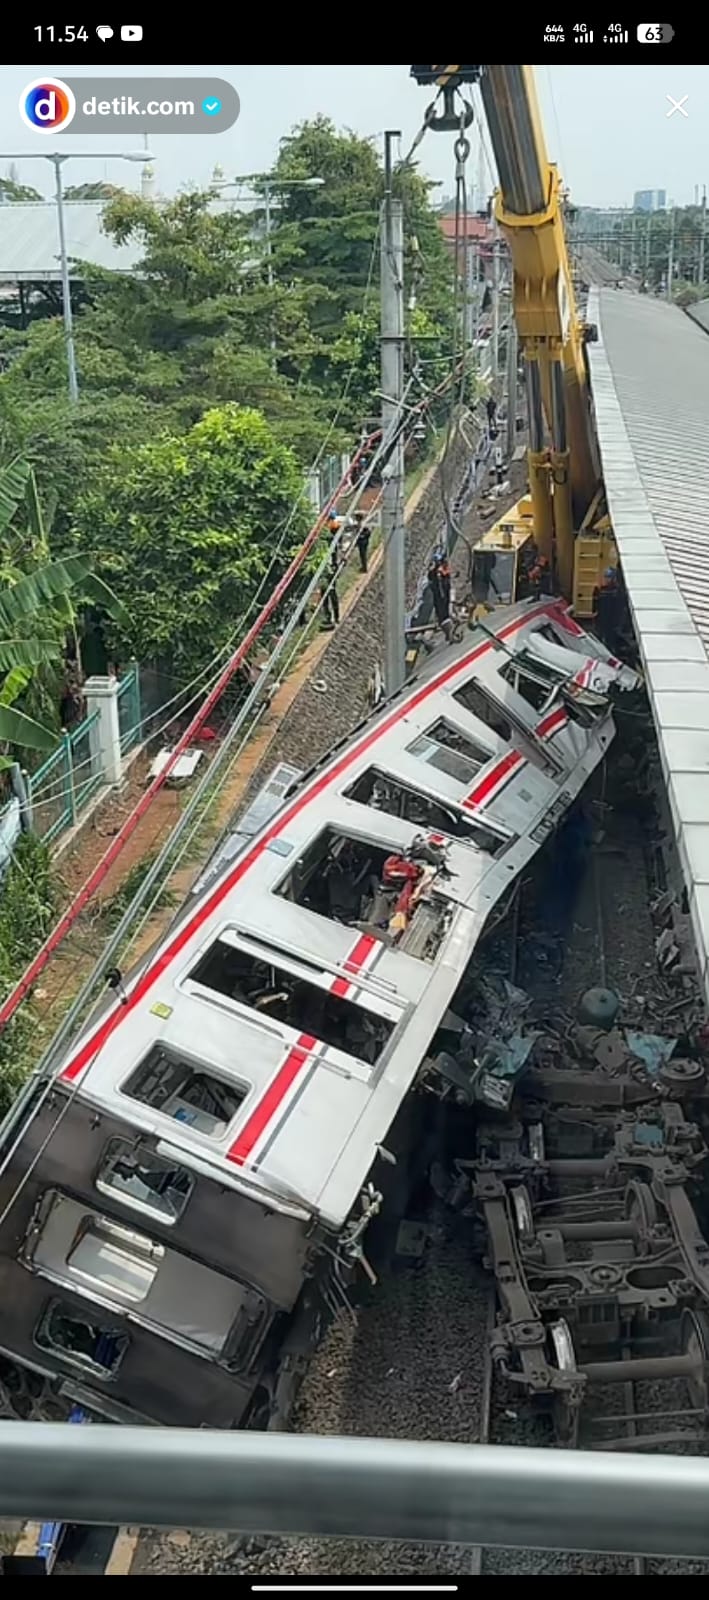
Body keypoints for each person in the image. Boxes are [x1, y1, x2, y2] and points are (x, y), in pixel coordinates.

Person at [592, 566, 622, 653]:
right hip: (602, 618)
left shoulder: (616, 592)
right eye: (606, 577)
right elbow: (595, 604)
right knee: (601, 636)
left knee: (610, 638)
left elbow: (619, 607)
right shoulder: (600, 591)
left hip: (612, 620)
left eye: (609, 577)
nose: (606, 580)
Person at [428, 547, 452, 630]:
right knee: (440, 604)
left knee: (445, 603)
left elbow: (447, 576)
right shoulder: (436, 571)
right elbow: (433, 578)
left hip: (444, 590)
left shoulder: (442, 570)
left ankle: (445, 618)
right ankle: (442, 620)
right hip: (439, 591)